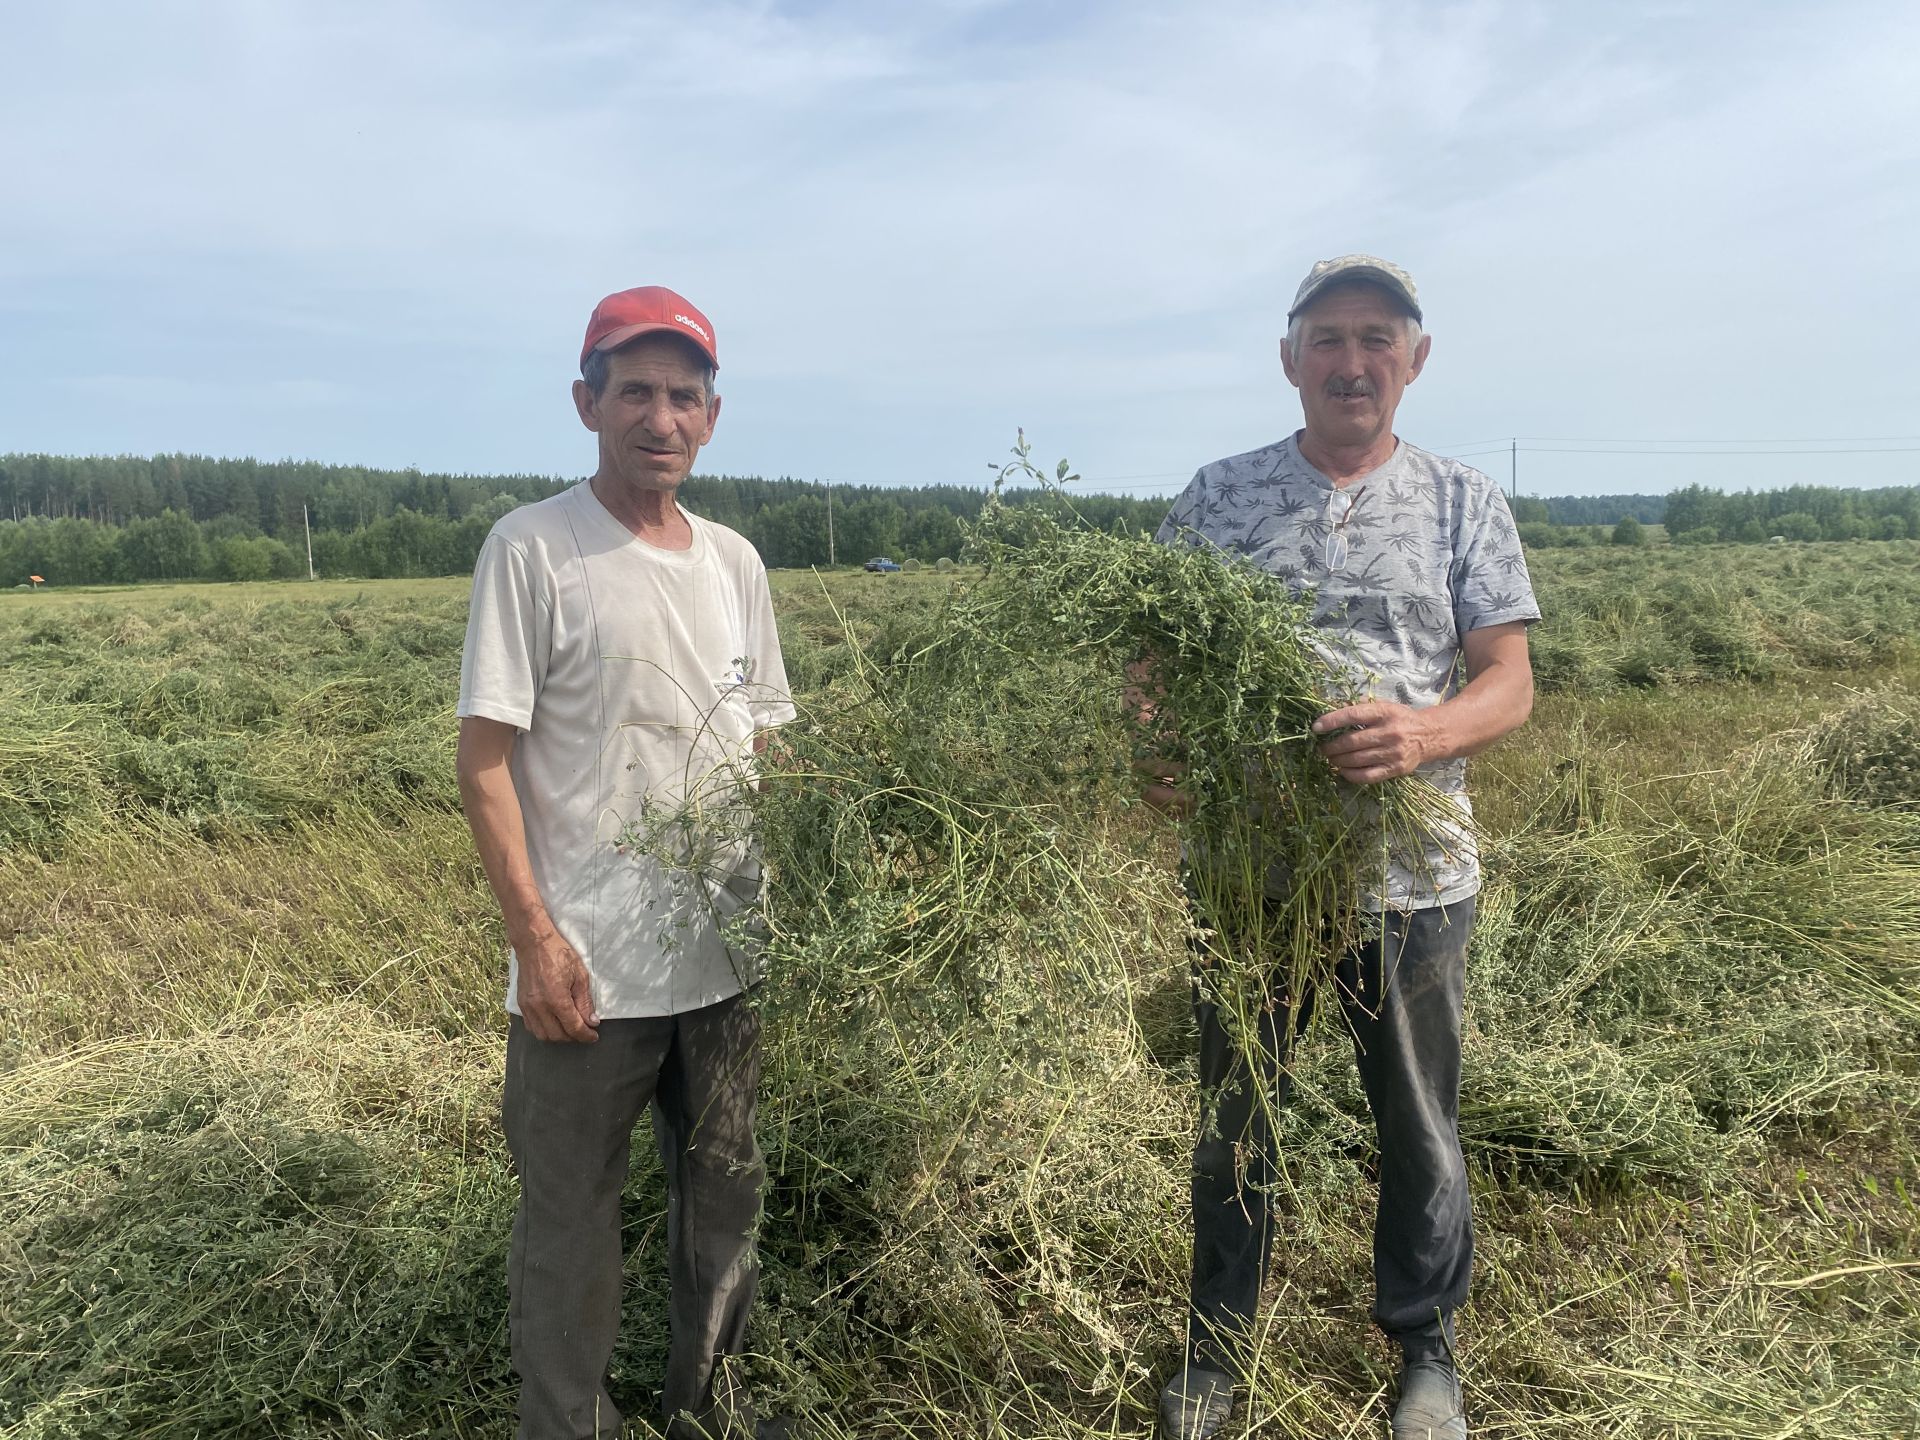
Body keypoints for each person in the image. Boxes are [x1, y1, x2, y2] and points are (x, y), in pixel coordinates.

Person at [1149, 256, 1539, 1440]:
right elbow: (1153, 665)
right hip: (1252, 875)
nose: (1352, 359)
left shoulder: (1464, 498)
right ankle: (1216, 1351)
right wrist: (1163, 748)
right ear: (1290, 360)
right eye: (1328, 337)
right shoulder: (1218, 497)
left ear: (1414, 361)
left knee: (1419, 1120)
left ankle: (1426, 1349)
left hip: (1413, 881)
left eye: (1378, 337)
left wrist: (1421, 732)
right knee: (1237, 1111)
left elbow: (1509, 680)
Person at [456, 286, 794, 1440]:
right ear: (586, 401)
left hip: (727, 958)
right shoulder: (535, 549)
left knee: (725, 1203)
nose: (662, 416)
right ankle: (569, 1427)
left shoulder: (735, 563)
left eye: (685, 395)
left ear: (713, 416)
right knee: (570, 1225)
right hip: (584, 976)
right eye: (636, 390)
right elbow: (485, 758)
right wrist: (536, 938)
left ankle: (709, 1409)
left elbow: (768, 746)